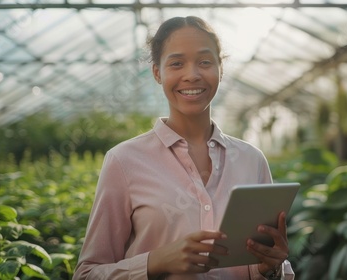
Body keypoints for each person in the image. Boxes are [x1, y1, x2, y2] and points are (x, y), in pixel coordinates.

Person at [73, 16, 295, 280]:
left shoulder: (252, 160)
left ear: (220, 69)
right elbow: (86, 273)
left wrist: (269, 269)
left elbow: (266, 262)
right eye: (176, 63)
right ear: (157, 72)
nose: (192, 75)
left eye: (205, 62)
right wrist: (155, 261)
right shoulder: (124, 161)